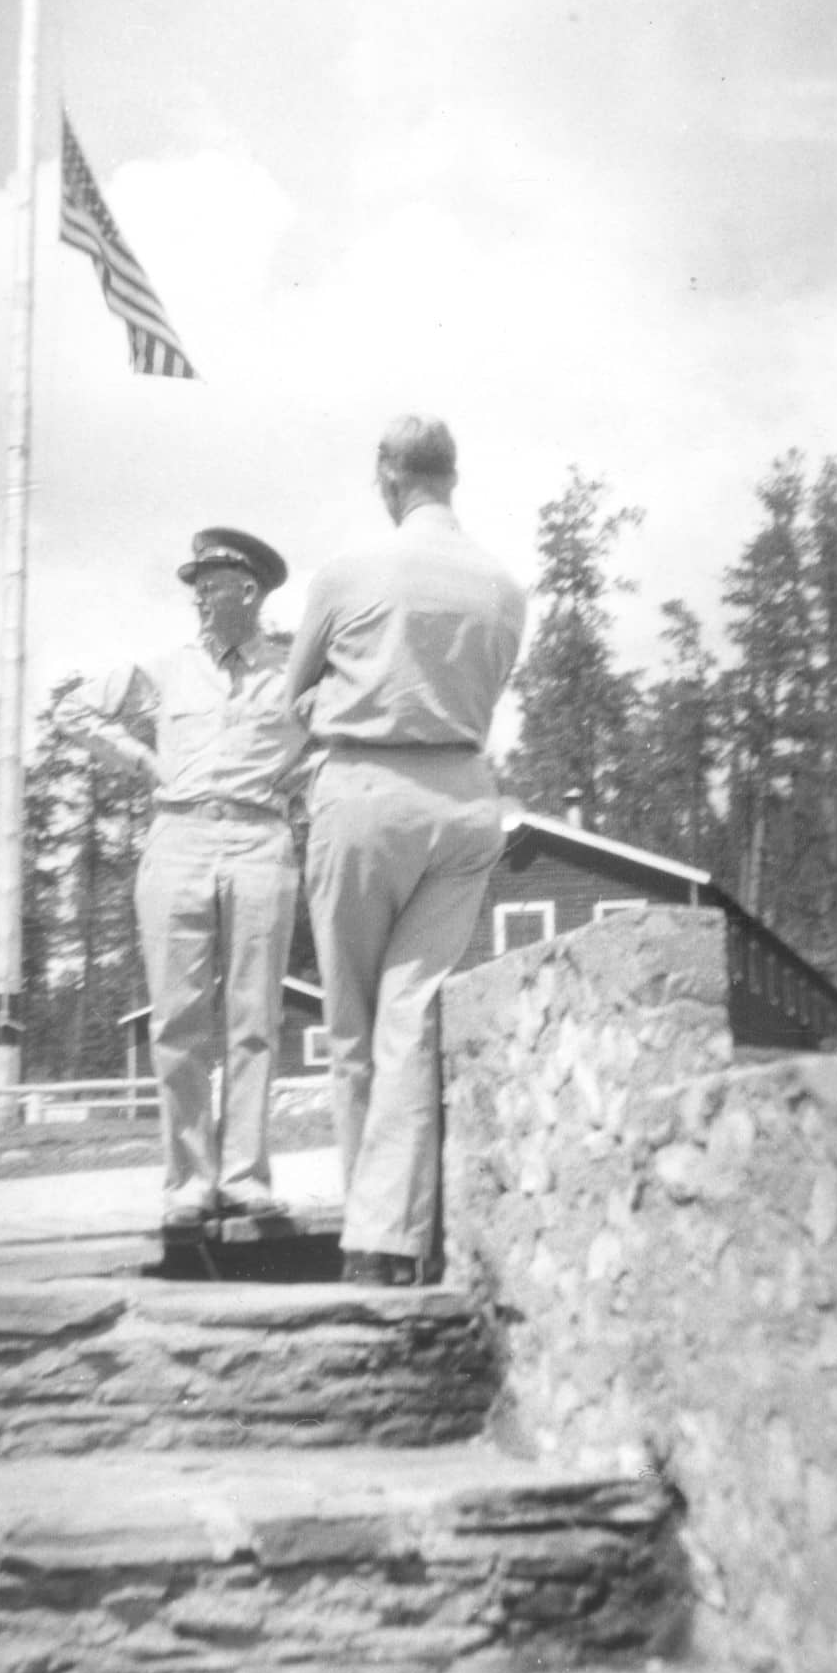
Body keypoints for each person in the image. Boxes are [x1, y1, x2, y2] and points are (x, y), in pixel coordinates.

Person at [284, 417, 526, 1285]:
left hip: (365, 797)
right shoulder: (504, 586)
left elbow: (291, 702)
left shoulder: (348, 574)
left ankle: (371, 1238)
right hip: (464, 799)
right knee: (411, 1020)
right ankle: (394, 1238)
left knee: (352, 1029)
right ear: (452, 477)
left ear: (390, 476)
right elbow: (483, 690)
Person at [77, 529, 304, 1227]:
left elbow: (344, 731)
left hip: (260, 841)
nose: (201, 598)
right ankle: (188, 1181)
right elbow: (77, 712)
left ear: (253, 592)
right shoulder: (167, 668)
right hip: (177, 837)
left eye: (214, 584)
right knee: (176, 1017)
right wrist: (144, 763)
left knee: (253, 1019)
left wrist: (298, 784)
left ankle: (243, 1177)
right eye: (196, 586)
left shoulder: (296, 670)